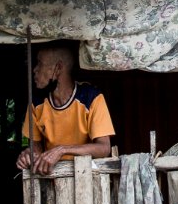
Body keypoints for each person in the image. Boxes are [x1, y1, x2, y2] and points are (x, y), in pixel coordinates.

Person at [16, 41, 116, 176]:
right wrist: (30, 155)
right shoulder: (36, 103)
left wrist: (62, 150)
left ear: (58, 68)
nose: (35, 70)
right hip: (50, 178)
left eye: (40, 63)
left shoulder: (91, 97)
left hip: (86, 177)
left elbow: (104, 148)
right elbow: (36, 147)